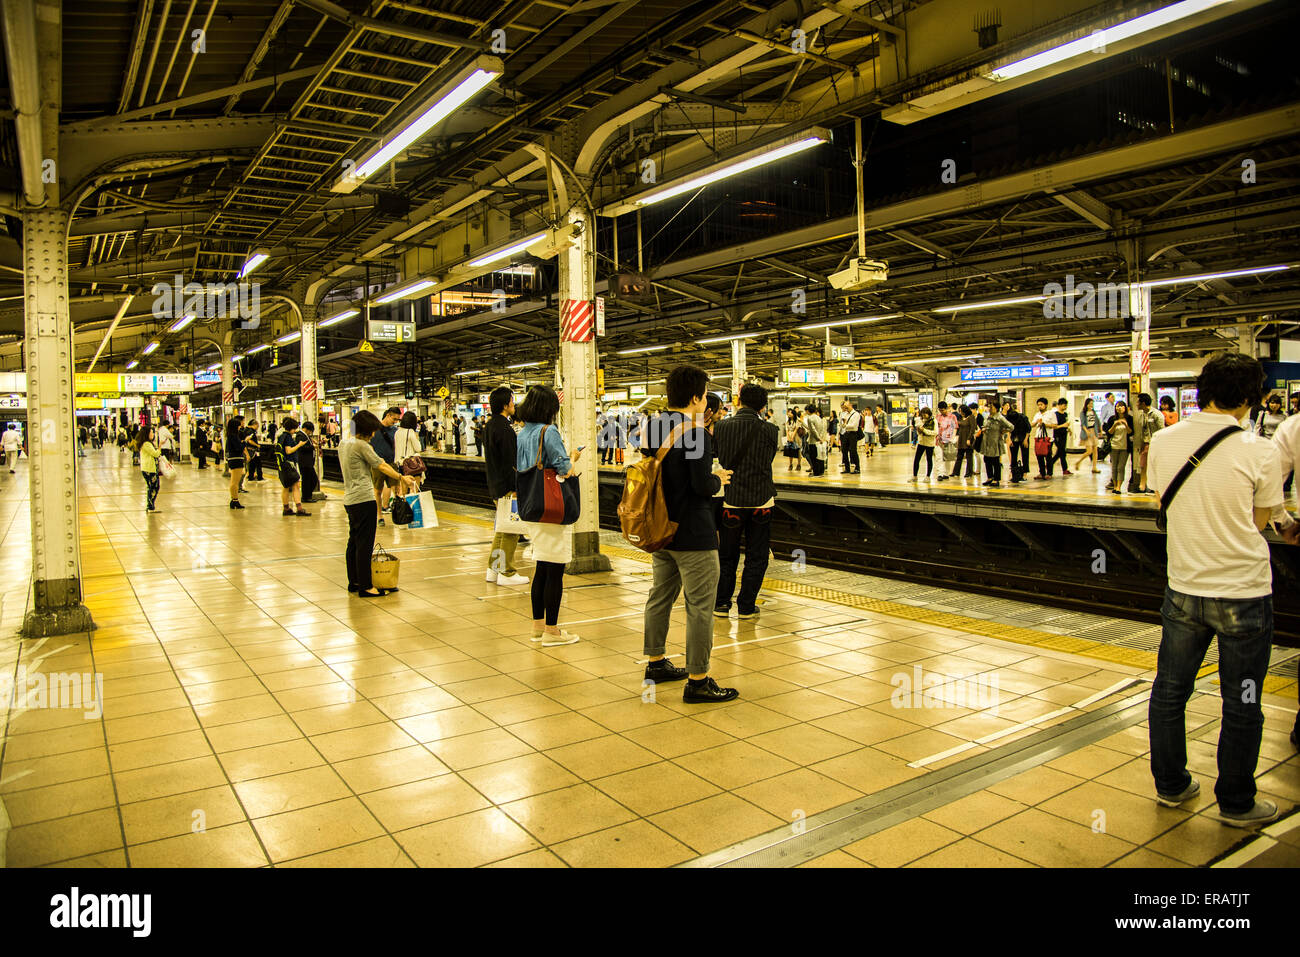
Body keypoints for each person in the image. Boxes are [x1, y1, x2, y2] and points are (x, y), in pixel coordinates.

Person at [1147, 352, 1299, 827]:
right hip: (1244, 594)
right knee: (1243, 700)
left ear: (1201, 388)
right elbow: (1261, 521)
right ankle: (1235, 802)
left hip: (1184, 588)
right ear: (1252, 399)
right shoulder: (1259, 449)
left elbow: (1162, 501)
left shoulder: (1163, 439)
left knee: (1171, 692)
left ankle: (1172, 786)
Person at [641, 365, 736, 703]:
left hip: (660, 529)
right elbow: (699, 485)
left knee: (660, 596)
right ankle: (698, 680)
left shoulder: (652, 426)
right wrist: (718, 479)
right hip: (693, 532)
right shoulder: (695, 433)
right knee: (699, 606)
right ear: (696, 397)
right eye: (704, 394)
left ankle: (655, 662)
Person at [516, 385, 582, 646]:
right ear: (549, 408)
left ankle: (537, 627)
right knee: (555, 569)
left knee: (542, 566)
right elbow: (565, 470)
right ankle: (552, 632)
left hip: (532, 506)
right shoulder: (549, 431)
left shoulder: (522, 433)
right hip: (552, 508)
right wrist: (573, 457)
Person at [714, 383, 779, 620]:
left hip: (731, 501)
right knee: (757, 555)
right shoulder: (771, 430)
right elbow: (768, 460)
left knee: (727, 554)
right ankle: (746, 606)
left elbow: (719, 456)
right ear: (763, 406)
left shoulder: (721, 427)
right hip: (762, 501)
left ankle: (721, 603)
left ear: (738, 401)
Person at [341, 410, 419, 597]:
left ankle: (354, 581)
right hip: (363, 499)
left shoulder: (344, 444)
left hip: (350, 499)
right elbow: (382, 465)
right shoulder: (362, 446)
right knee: (365, 544)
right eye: (372, 431)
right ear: (367, 430)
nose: (374, 434)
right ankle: (366, 586)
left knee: (353, 542)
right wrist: (402, 477)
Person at [485, 386, 529, 587]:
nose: (514, 404)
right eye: (512, 400)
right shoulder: (504, 428)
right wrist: (516, 487)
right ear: (505, 404)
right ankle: (507, 572)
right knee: (511, 530)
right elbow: (512, 462)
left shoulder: (490, 425)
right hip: (507, 487)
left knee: (502, 529)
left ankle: (494, 569)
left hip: (495, 483)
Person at [371, 407, 400, 525]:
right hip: (377, 464)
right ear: (388, 415)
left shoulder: (395, 430)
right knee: (378, 490)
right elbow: (369, 445)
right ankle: (379, 516)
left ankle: (398, 514)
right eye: (394, 419)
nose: (395, 421)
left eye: (398, 420)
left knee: (397, 489)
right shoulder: (374, 429)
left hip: (391, 463)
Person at [277, 417, 310, 516]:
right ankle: (299, 509)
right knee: (296, 486)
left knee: (286, 486)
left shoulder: (281, 436)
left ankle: (286, 508)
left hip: (282, 465)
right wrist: (299, 445)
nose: (295, 431)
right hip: (290, 464)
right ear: (291, 428)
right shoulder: (287, 437)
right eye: (294, 428)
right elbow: (289, 451)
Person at [1131, 393, 1163, 494]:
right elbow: (1142, 430)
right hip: (1145, 444)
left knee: (1154, 465)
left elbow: (1162, 430)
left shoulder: (1157, 414)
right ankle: (1142, 486)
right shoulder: (1142, 414)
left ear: (1143, 403)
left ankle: (1154, 487)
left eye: (1138, 402)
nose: (1136, 404)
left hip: (1155, 444)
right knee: (1143, 465)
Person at [978, 401, 1013, 486]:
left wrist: (1003, 431)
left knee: (995, 461)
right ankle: (990, 477)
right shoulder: (987, 417)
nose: (990, 408)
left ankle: (996, 479)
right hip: (986, 441)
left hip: (995, 441)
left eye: (992, 407)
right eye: (989, 407)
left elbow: (1011, 427)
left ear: (996, 408)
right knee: (987, 460)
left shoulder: (1000, 417)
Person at [1104, 400, 1133, 493]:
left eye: (1121, 406)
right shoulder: (1112, 419)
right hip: (1113, 446)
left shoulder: (1129, 419)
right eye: (1117, 406)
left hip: (1125, 446)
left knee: (1121, 467)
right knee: (1114, 467)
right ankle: (1115, 485)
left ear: (1125, 408)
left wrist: (1126, 425)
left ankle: (1119, 487)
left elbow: (1131, 432)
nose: (1119, 408)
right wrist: (1114, 424)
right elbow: (1109, 432)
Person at [136, 425, 162, 512]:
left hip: (148, 468)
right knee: (154, 487)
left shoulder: (146, 443)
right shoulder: (146, 444)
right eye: (151, 432)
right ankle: (150, 506)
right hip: (149, 469)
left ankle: (150, 505)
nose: (153, 434)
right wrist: (160, 447)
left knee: (152, 487)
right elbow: (156, 454)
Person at [1004, 399, 1031, 483]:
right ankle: (1014, 474)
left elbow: (1028, 429)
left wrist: (1026, 440)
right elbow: (1008, 429)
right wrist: (1009, 439)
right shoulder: (1009, 418)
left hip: (1023, 436)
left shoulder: (1023, 418)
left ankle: (1025, 474)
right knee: (1013, 456)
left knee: (1025, 456)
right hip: (1014, 437)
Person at [225, 416, 247, 510]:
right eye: (238, 426)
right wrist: (244, 442)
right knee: (235, 482)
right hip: (236, 459)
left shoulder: (230, 436)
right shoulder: (233, 436)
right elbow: (239, 447)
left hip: (234, 459)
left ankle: (234, 500)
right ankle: (235, 500)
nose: (240, 427)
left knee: (234, 481)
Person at [910, 407, 937, 481]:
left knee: (929, 459)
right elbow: (919, 432)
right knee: (917, 459)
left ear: (929, 414)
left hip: (930, 443)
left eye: (925, 415)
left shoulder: (934, 421)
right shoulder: (921, 421)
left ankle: (928, 476)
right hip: (921, 442)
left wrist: (924, 430)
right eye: (923, 415)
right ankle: (914, 476)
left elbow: (935, 432)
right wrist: (919, 431)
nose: (924, 416)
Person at [1030, 397, 1055, 479]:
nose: (1040, 406)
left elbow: (1055, 425)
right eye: (1038, 405)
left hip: (1048, 438)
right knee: (1039, 456)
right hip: (1038, 438)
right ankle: (1042, 473)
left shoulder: (1051, 414)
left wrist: (1044, 424)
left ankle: (1049, 473)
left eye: (1041, 404)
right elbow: (1032, 425)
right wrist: (1037, 422)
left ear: (1046, 405)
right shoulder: (1037, 415)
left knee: (1048, 456)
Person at [1075, 397, 1101, 473]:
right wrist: (1086, 431)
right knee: (1089, 451)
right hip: (1087, 432)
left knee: (1095, 450)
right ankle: (1078, 462)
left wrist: (1100, 430)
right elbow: (1082, 423)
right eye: (1090, 403)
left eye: (1092, 403)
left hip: (1094, 431)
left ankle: (1094, 467)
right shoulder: (1083, 413)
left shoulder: (1093, 412)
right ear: (1086, 404)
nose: (1091, 405)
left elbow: (1097, 421)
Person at [933, 402, 958, 481]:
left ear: (947, 408)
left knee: (947, 457)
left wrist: (953, 437)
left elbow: (955, 427)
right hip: (938, 440)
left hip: (948, 440)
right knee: (939, 457)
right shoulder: (937, 417)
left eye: (943, 410)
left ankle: (946, 473)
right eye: (940, 410)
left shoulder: (952, 417)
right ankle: (940, 474)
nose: (941, 412)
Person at [1049, 398, 1073, 477]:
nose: (1065, 407)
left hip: (1064, 435)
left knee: (1060, 452)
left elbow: (1065, 424)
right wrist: (1063, 425)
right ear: (1059, 405)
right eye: (1064, 405)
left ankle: (1050, 464)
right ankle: (1064, 469)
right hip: (1057, 435)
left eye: (1066, 405)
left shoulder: (1065, 414)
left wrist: (1068, 429)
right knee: (1062, 452)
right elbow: (1054, 426)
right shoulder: (1055, 414)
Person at [802, 404, 828, 476]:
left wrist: (818, 438)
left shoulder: (810, 418)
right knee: (820, 456)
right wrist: (821, 438)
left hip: (813, 441)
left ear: (808, 411)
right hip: (820, 441)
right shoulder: (818, 417)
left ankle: (816, 472)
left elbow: (813, 430)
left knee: (813, 457)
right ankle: (821, 471)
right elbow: (821, 428)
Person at [953, 405, 977, 480]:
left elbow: (973, 428)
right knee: (959, 456)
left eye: (961, 411)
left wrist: (969, 439)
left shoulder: (971, 417)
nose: (961, 413)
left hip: (967, 439)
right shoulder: (961, 418)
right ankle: (956, 472)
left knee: (969, 456)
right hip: (961, 439)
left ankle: (969, 472)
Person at [839, 401, 863, 474]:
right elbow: (843, 424)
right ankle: (847, 468)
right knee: (844, 450)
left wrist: (846, 425)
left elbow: (854, 426)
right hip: (846, 433)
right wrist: (845, 425)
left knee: (853, 451)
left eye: (846, 407)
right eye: (844, 407)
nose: (845, 408)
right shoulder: (846, 414)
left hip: (853, 434)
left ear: (850, 405)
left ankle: (857, 468)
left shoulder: (856, 414)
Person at [299, 421, 321, 502]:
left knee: (310, 480)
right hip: (305, 462)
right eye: (309, 430)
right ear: (305, 428)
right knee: (308, 480)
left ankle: (308, 496)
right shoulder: (300, 435)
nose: (310, 432)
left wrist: (312, 442)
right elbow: (302, 447)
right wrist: (312, 446)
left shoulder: (305, 435)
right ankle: (306, 497)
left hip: (308, 462)